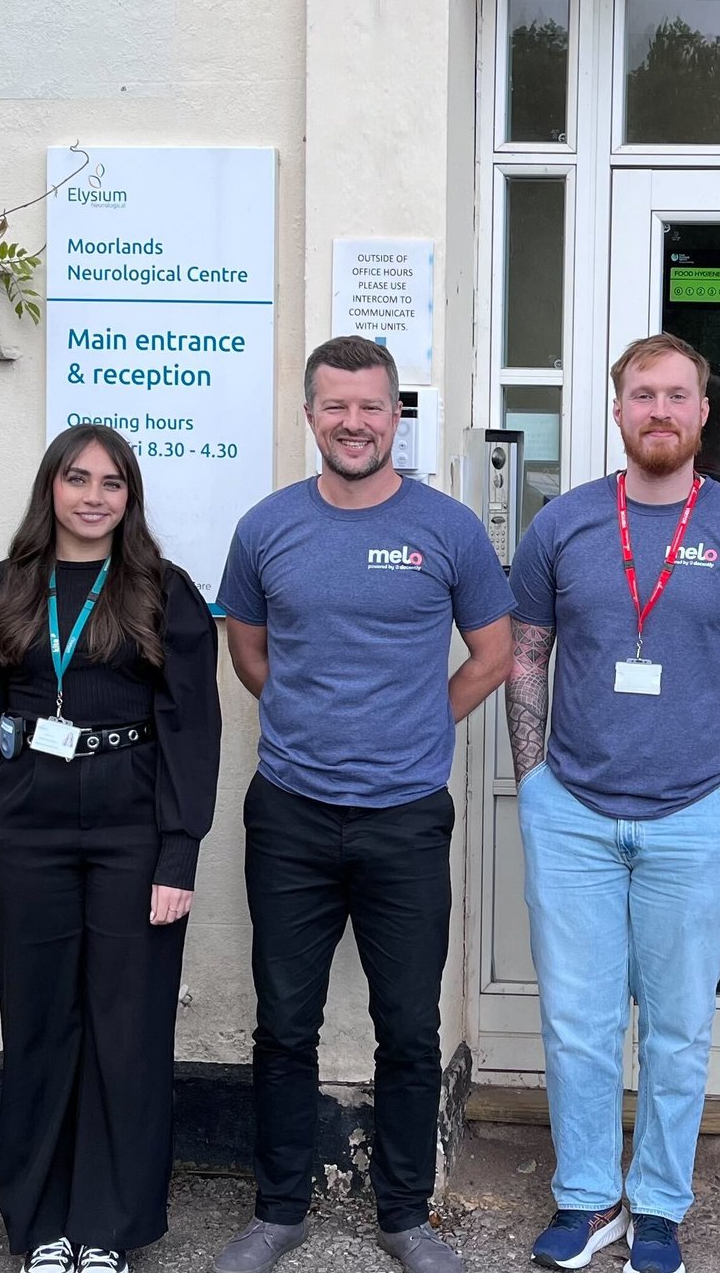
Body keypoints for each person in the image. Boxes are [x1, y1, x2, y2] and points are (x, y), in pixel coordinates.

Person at [505, 333, 720, 1273]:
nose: (661, 411)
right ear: (617, 408)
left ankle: (661, 1208)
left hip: (694, 820)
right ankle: (588, 1199)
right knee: (578, 1019)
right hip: (576, 817)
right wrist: (533, 782)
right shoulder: (563, 524)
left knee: (679, 1026)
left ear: (703, 411)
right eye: (643, 394)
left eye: (677, 395)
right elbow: (524, 655)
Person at [213, 337, 513, 1273]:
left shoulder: (449, 528)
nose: (353, 423)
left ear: (396, 417)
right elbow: (250, 653)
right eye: (335, 407)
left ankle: (404, 1215)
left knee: (410, 1027)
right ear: (311, 416)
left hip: (406, 817)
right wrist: (315, 720)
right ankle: (279, 1211)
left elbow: (495, 653)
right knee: (283, 1022)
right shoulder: (268, 527)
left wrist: (422, 720)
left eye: (371, 407)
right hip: (293, 812)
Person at [0, 424, 220, 1273]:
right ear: (50, 489)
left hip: (131, 827)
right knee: (39, 1026)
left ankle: (106, 1224)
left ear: (129, 498)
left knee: (125, 1029)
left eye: (111, 483)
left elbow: (191, 729)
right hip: (25, 826)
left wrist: (179, 856)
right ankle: (41, 1225)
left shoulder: (161, 591)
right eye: (77, 479)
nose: (93, 497)